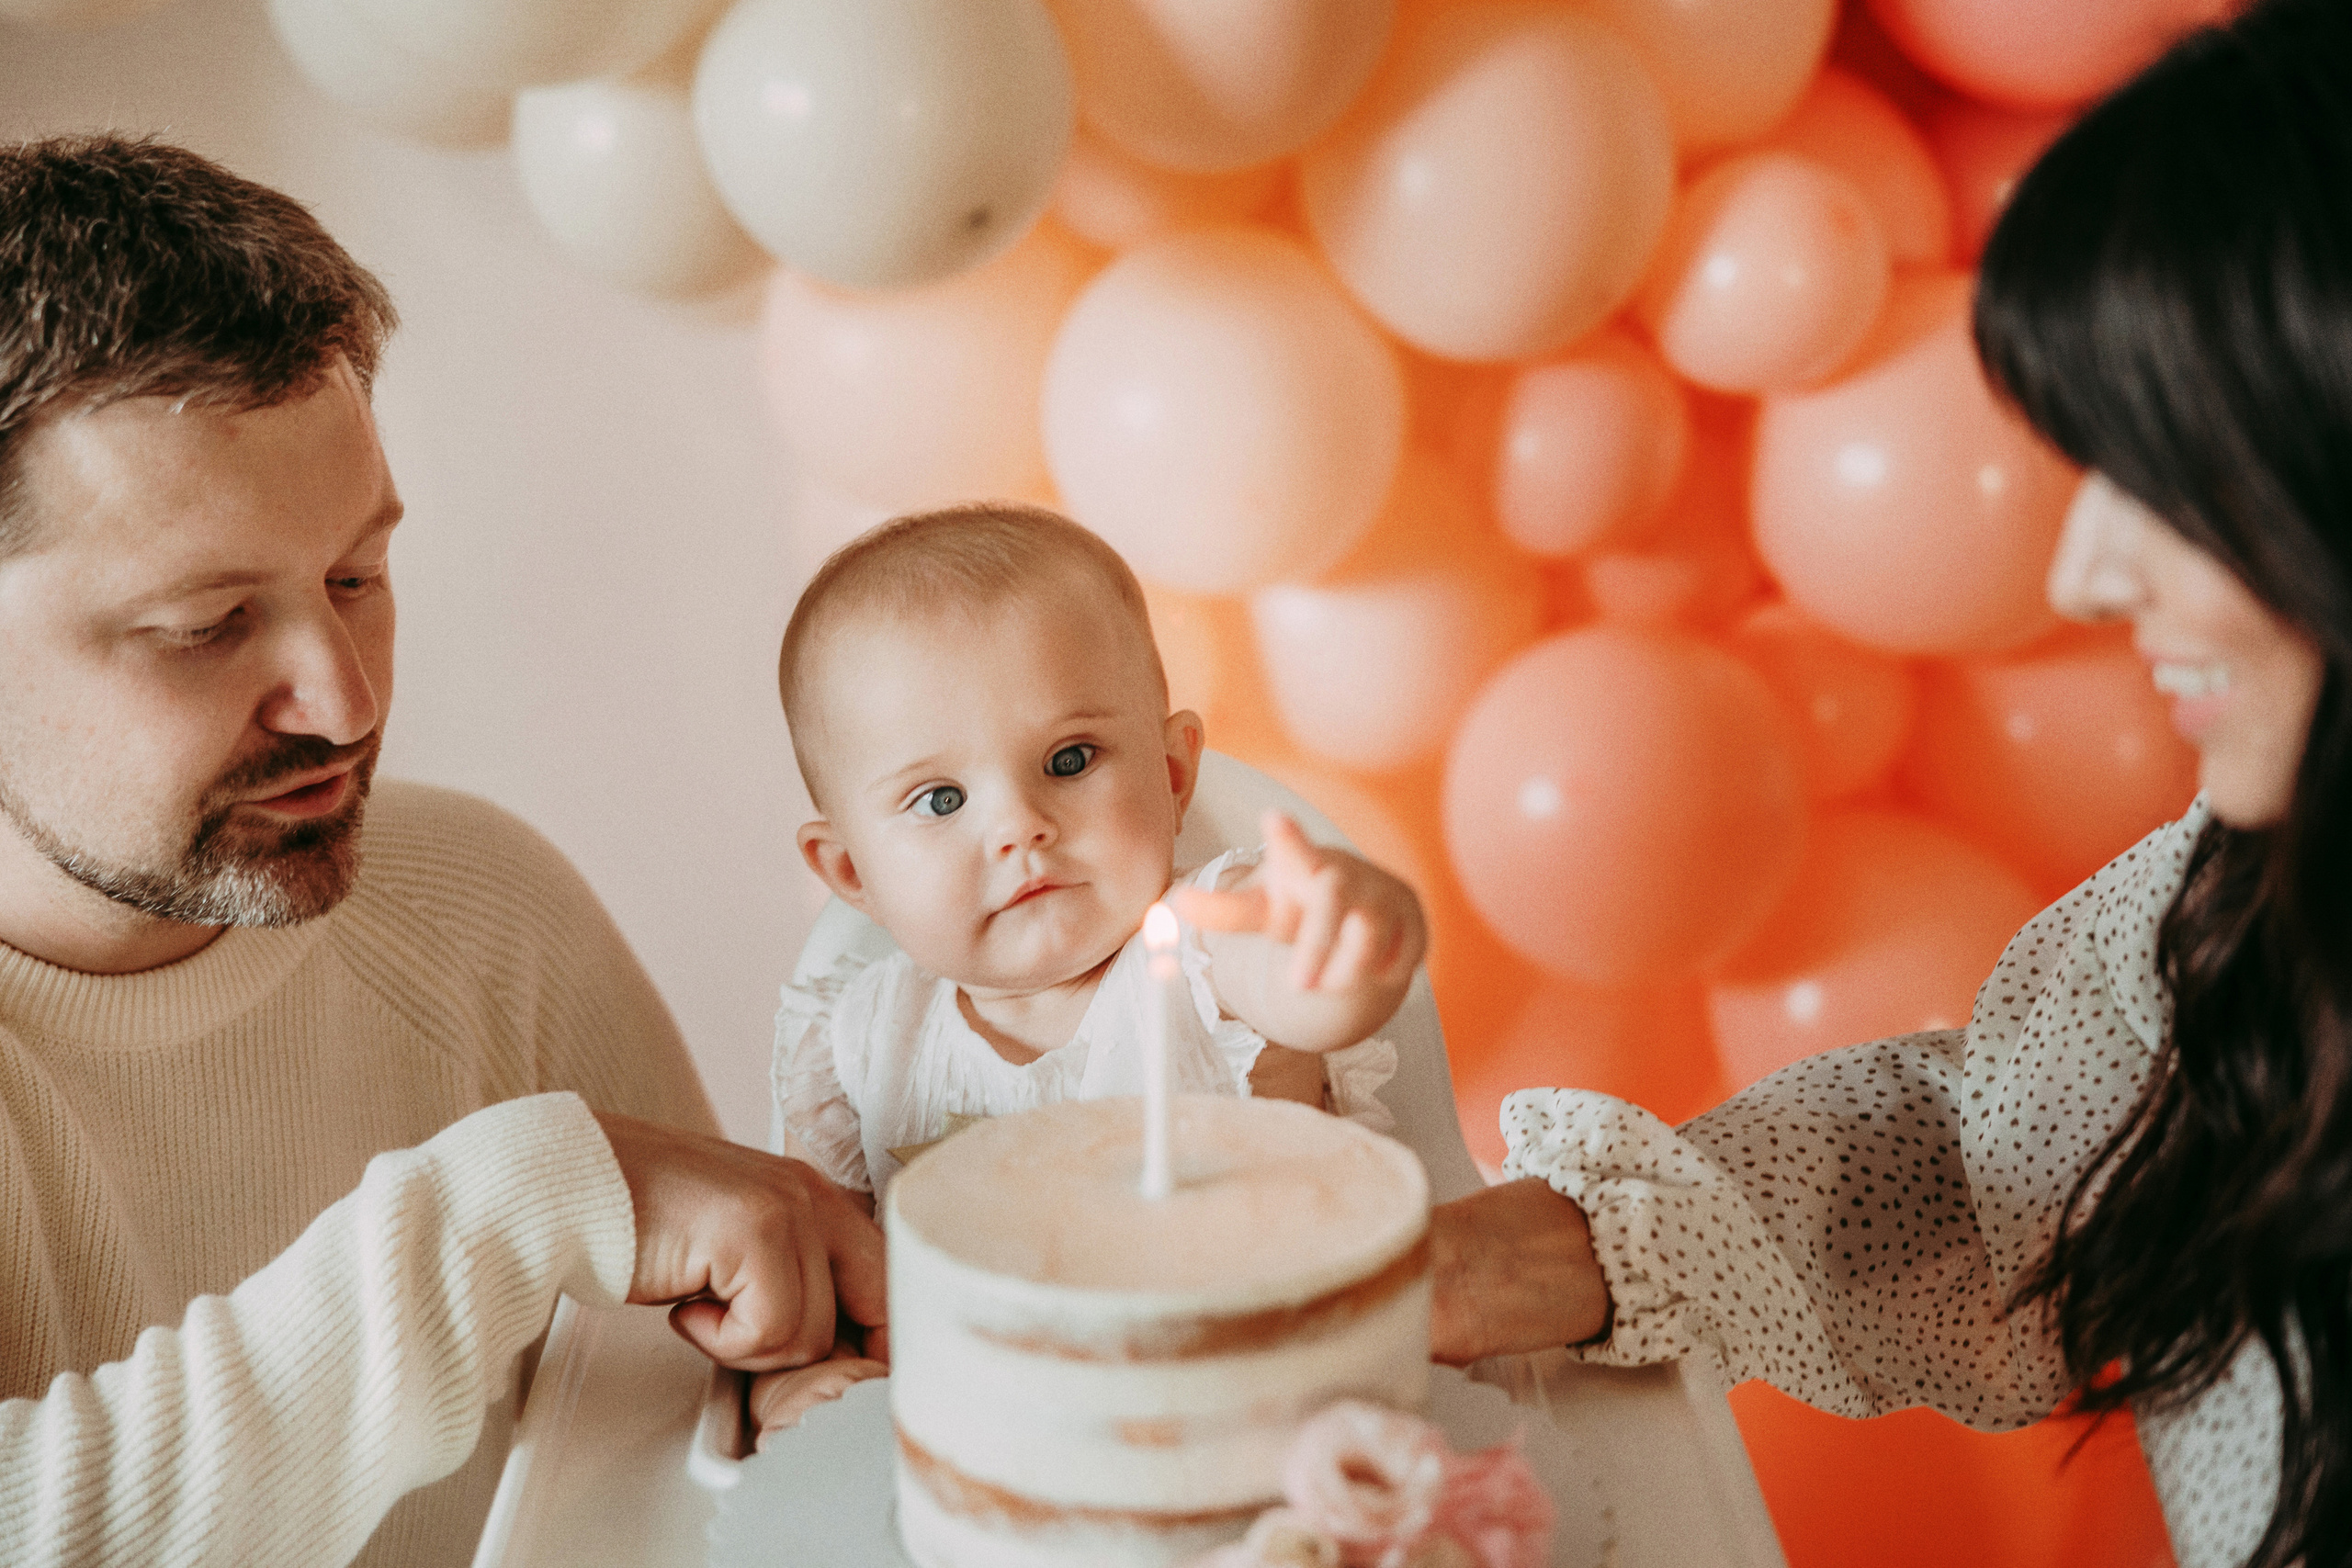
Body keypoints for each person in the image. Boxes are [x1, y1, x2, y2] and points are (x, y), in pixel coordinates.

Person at [1424, 4, 2352, 1567]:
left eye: (2174, 476)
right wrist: (1559, 1247)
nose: (2085, 567)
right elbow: (1994, 1154)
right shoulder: (2264, 878)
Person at [0, 135, 886, 1566]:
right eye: (205, 626)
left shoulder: (487, 908)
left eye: (358, 574)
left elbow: (685, 1443)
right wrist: (508, 1209)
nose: (345, 700)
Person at [753, 503, 1426, 1433]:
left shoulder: (1202, 944)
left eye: (1070, 760)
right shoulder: (853, 1046)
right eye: (940, 799)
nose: (1018, 824)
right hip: (983, 1451)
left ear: (1173, 771)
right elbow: (807, 1270)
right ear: (851, 871)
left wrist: (1343, 940)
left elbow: (1296, 981)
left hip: (1243, 1413)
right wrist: (800, 1381)